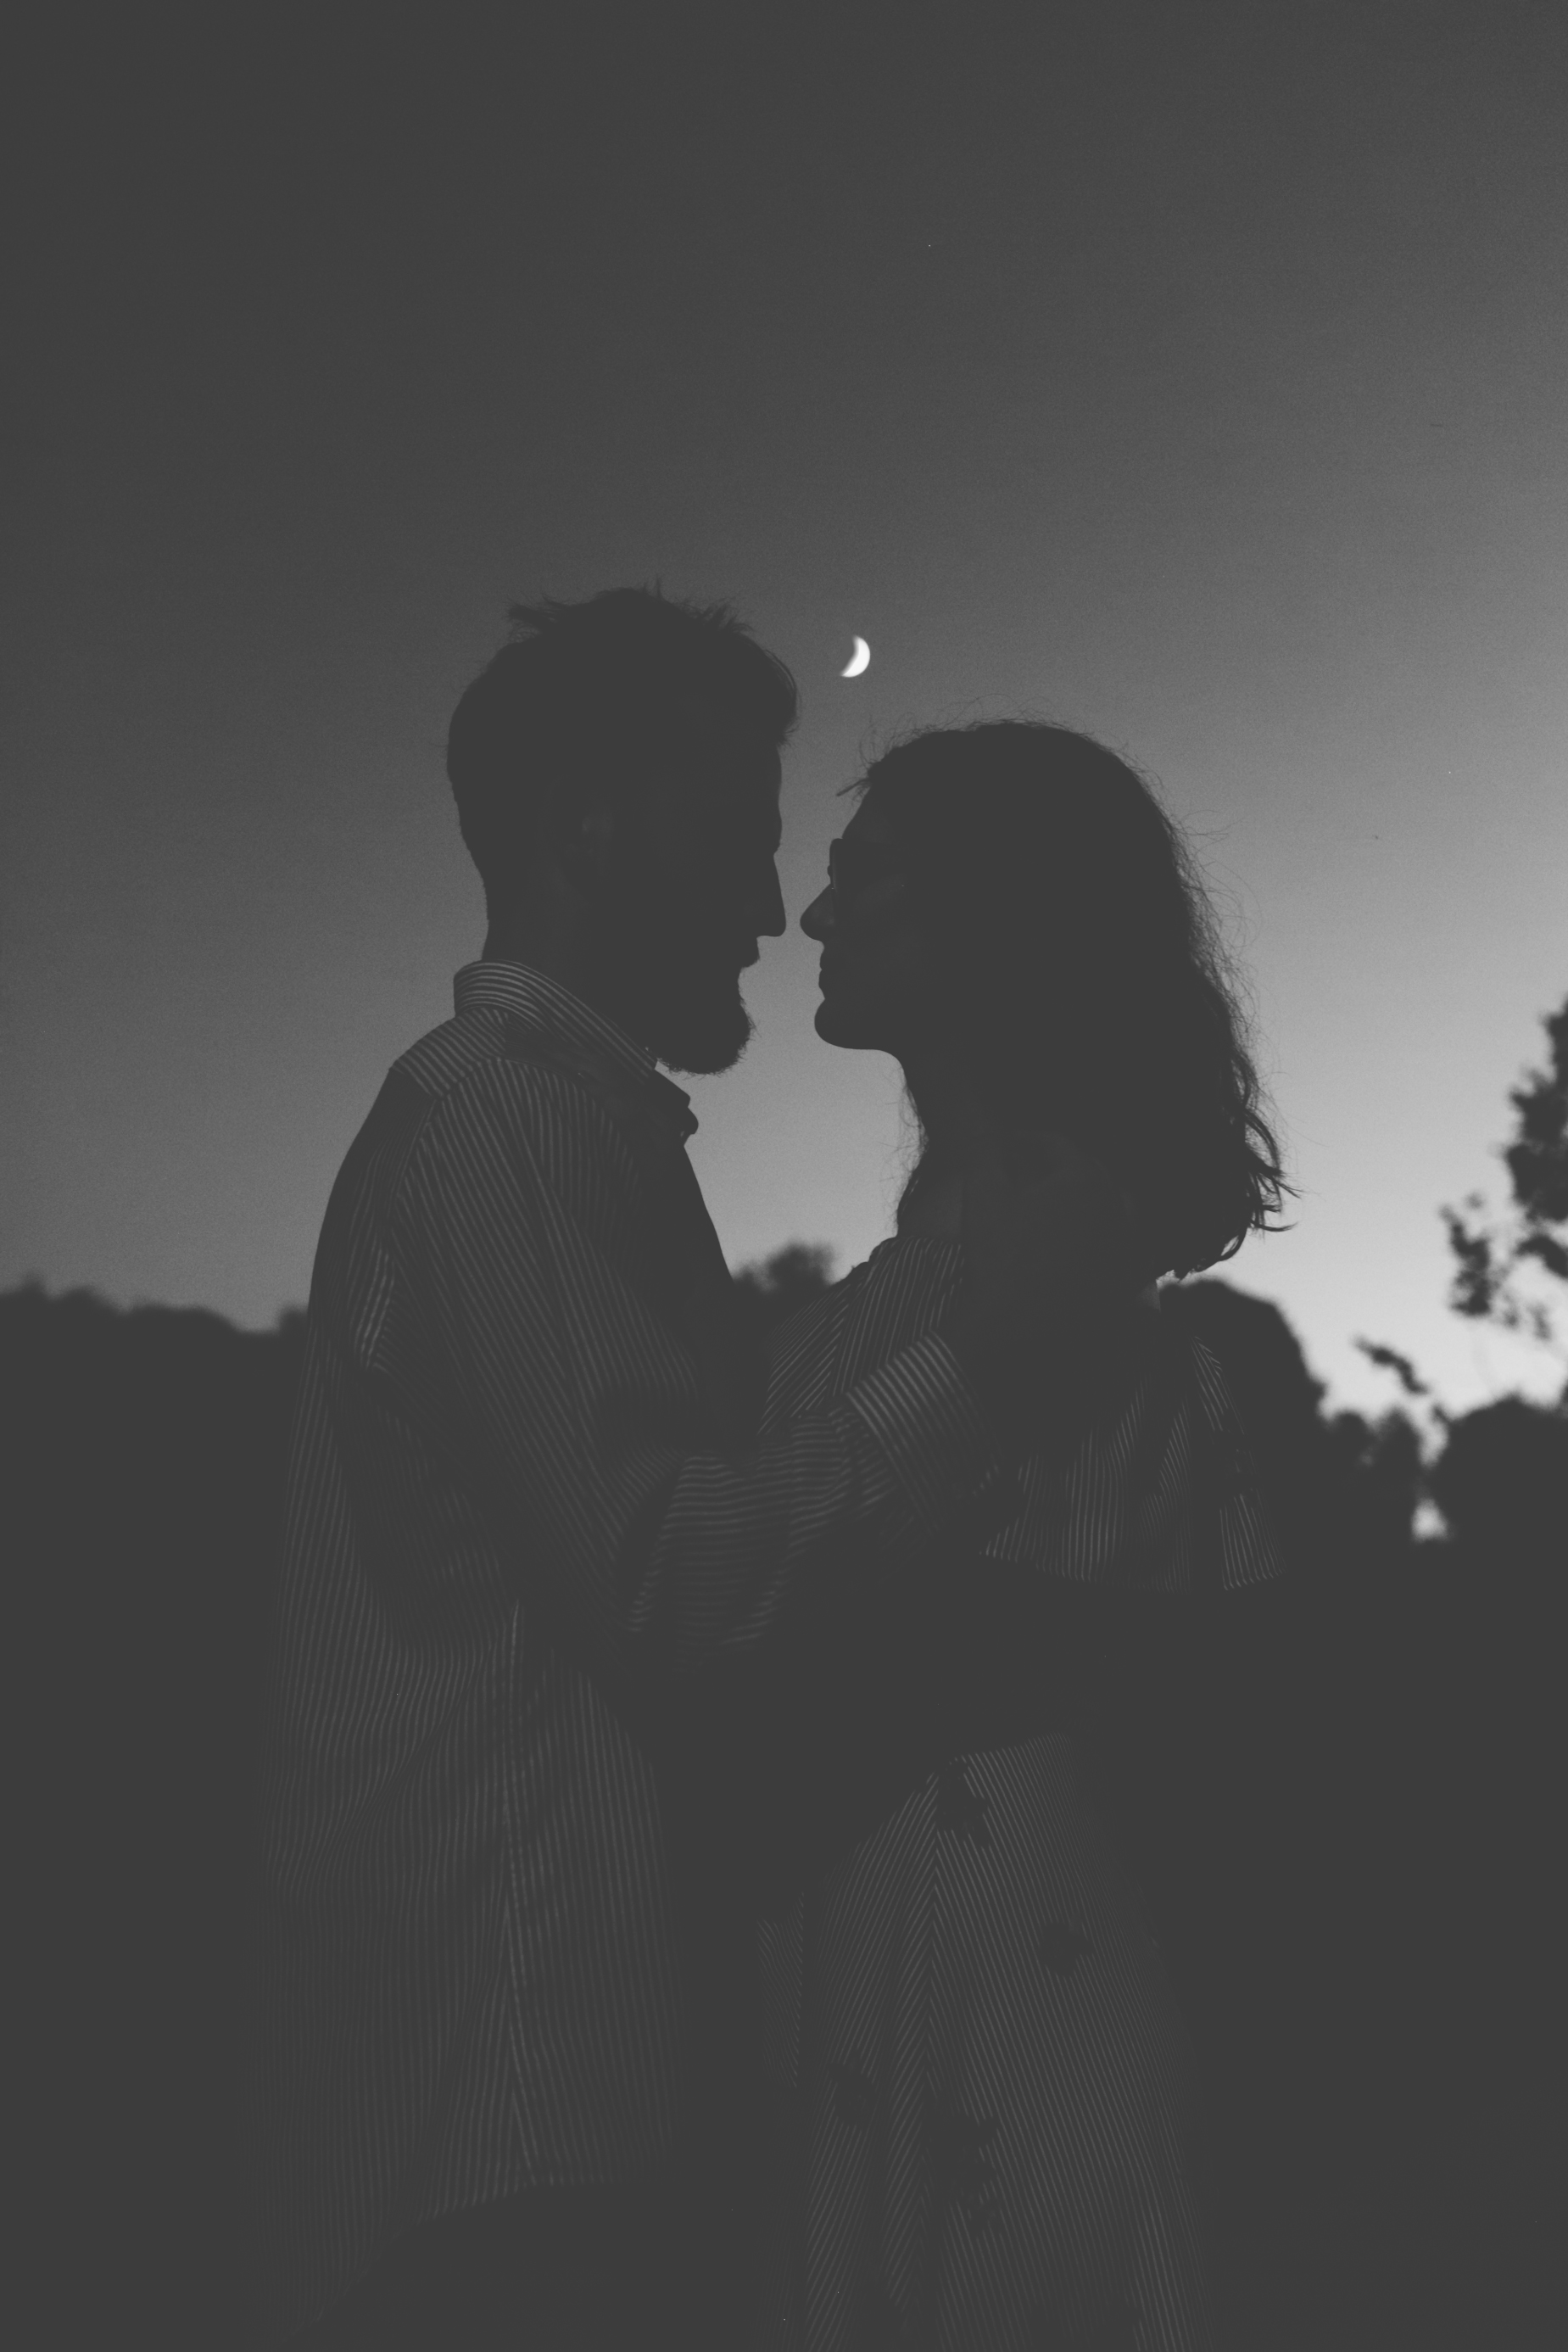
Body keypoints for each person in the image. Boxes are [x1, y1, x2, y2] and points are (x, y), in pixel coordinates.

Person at [246, 595, 1133, 2349]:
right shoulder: (496, 1126)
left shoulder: (566, 1134)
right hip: (519, 2107)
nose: (763, 898)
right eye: (731, 827)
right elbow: (676, 1580)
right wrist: (979, 1371)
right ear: (591, 820)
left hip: (558, 2100)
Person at [732, 721, 1293, 2351]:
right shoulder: (942, 1265)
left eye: (865, 878)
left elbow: (1161, 1661)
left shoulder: (1065, 1241)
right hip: (872, 1983)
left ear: (991, 914)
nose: (819, 921)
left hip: (1013, 2004)